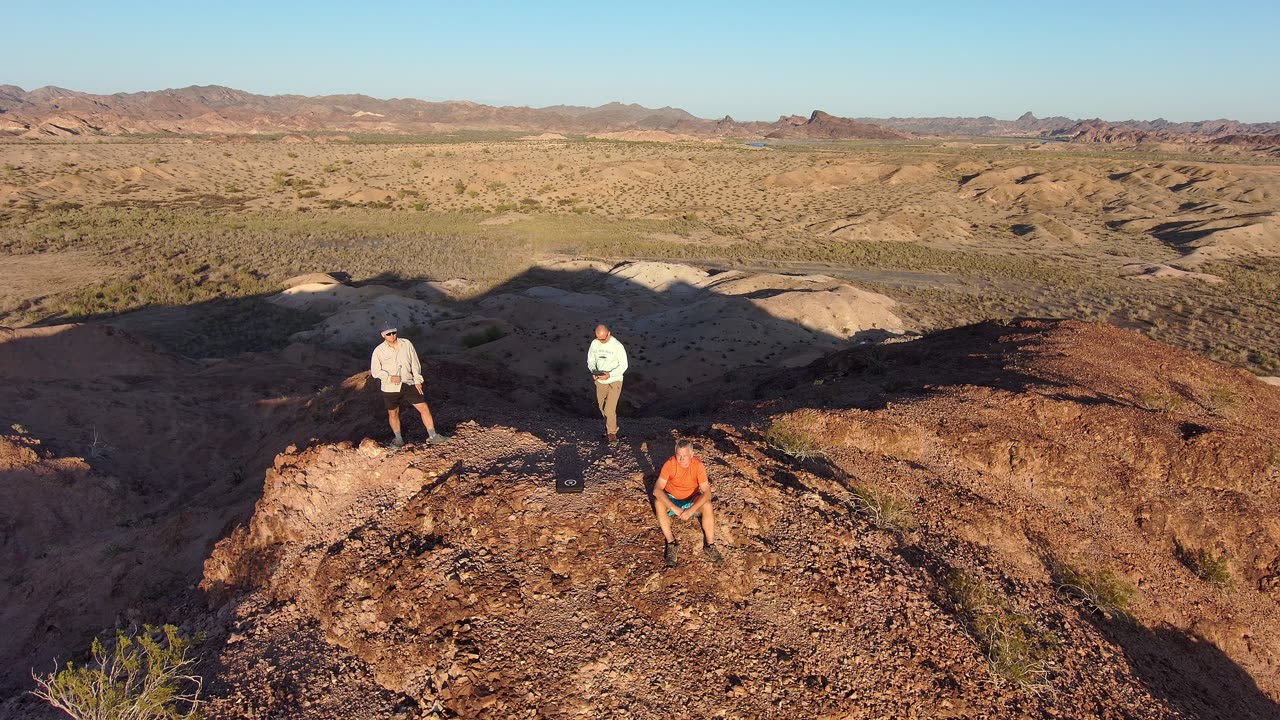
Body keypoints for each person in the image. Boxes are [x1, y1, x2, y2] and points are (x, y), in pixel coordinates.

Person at [369, 325, 449, 447]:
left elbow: (415, 362)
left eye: (393, 332)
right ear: (383, 335)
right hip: (390, 387)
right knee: (393, 413)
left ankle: (433, 436)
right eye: (388, 334)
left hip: (409, 382)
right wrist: (389, 377)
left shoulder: (406, 343)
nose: (392, 335)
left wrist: (417, 380)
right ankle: (398, 439)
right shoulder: (378, 351)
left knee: (423, 407)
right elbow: (375, 371)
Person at [653, 438, 723, 567]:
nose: (682, 459)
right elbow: (657, 490)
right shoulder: (670, 464)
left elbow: (707, 492)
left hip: (691, 498)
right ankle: (671, 543)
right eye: (679, 455)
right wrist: (675, 509)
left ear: (691, 455)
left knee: (707, 505)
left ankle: (710, 545)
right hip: (672, 497)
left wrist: (690, 510)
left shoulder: (698, 465)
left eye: (685, 456)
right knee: (658, 503)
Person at [586, 324, 628, 443]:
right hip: (600, 381)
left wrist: (610, 375)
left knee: (610, 409)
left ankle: (612, 432)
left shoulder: (618, 346)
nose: (601, 341)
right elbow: (591, 360)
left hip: (614, 380)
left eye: (603, 339)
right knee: (601, 407)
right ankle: (609, 424)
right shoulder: (594, 344)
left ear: (609, 333)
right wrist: (593, 371)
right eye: (600, 339)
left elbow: (624, 365)